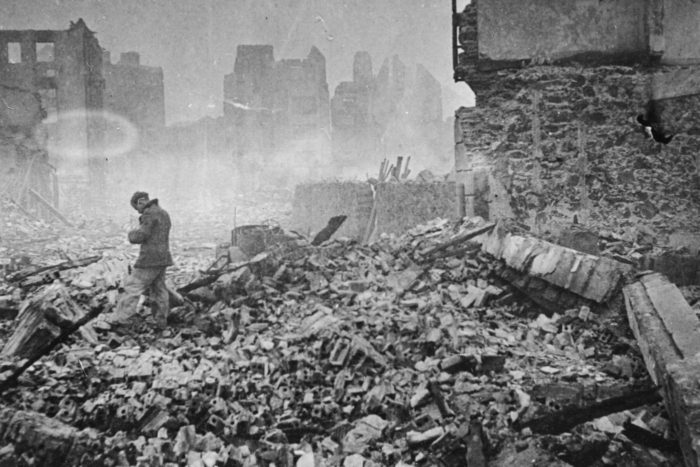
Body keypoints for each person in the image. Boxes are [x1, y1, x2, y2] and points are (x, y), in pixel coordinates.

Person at [111, 191, 173, 330]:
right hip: (163, 257)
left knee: (132, 286)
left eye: (136, 208)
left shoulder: (149, 214)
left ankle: (122, 320)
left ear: (140, 202)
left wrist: (130, 233)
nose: (138, 211)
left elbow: (142, 235)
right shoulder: (163, 213)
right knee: (159, 290)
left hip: (149, 259)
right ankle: (161, 321)